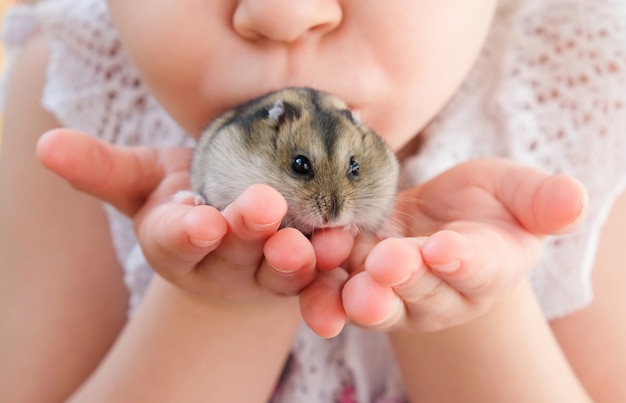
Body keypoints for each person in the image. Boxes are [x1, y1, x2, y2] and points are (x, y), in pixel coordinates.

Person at [0, 0, 624, 401]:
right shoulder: (73, 89)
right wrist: (216, 305)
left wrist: (464, 305)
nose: (283, 13)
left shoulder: (586, 94)